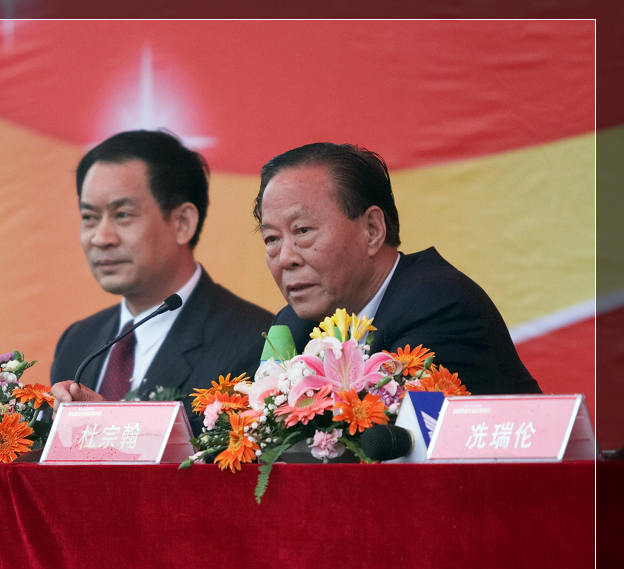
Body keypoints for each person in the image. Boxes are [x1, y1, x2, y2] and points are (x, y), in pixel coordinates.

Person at [255, 142, 540, 395]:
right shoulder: (293, 326)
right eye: (272, 239)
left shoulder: (439, 307)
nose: (285, 258)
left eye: (302, 230)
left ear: (372, 229)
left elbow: (387, 429)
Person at [50, 130, 273, 433]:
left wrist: (111, 424)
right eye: (89, 217)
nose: (101, 238)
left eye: (122, 215)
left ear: (182, 223)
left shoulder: (254, 342)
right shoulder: (77, 342)